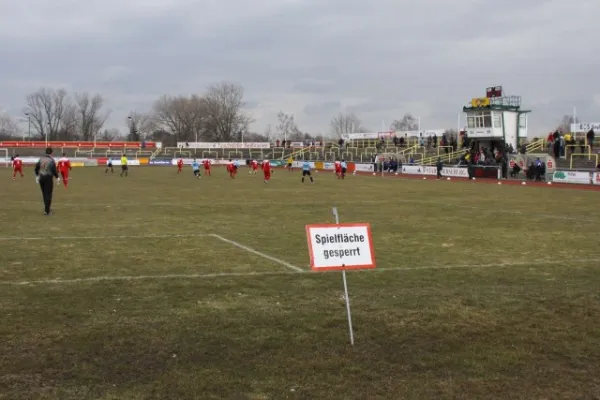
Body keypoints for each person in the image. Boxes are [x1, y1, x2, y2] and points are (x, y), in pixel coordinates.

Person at [34, 147, 59, 216]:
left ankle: (47, 208)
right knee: (48, 194)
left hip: (41, 178)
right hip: (48, 178)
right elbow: (54, 170)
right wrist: (57, 177)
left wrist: (37, 176)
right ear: (51, 153)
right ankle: (47, 211)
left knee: (44, 194)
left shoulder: (41, 159)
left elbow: (36, 168)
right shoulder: (51, 160)